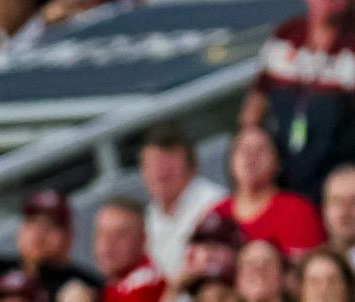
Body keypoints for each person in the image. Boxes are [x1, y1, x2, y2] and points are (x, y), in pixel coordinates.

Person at [242, 0, 355, 203]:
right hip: (283, 170)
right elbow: (256, 101)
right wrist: (252, 142)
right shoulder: (286, 35)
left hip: (337, 178)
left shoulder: (350, 46)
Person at [208, 127, 326, 259]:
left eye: (260, 150)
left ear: (278, 162)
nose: (251, 157)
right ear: (231, 161)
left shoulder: (298, 210)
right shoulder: (216, 214)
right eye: (243, 149)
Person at [141, 122, 228, 281]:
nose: (161, 172)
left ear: (191, 167)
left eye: (169, 164)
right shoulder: (149, 216)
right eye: (154, 164)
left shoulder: (214, 202)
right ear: (143, 172)